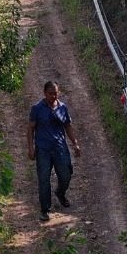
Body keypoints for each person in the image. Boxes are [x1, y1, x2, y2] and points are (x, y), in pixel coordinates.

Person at [27, 80, 81, 221]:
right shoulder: (37, 108)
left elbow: (68, 126)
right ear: (44, 93)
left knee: (66, 175)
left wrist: (75, 143)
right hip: (43, 149)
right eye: (51, 94)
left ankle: (60, 193)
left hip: (60, 148)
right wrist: (31, 147)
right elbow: (31, 128)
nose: (53, 97)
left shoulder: (63, 107)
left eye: (56, 94)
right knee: (44, 179)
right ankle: (45, 209)